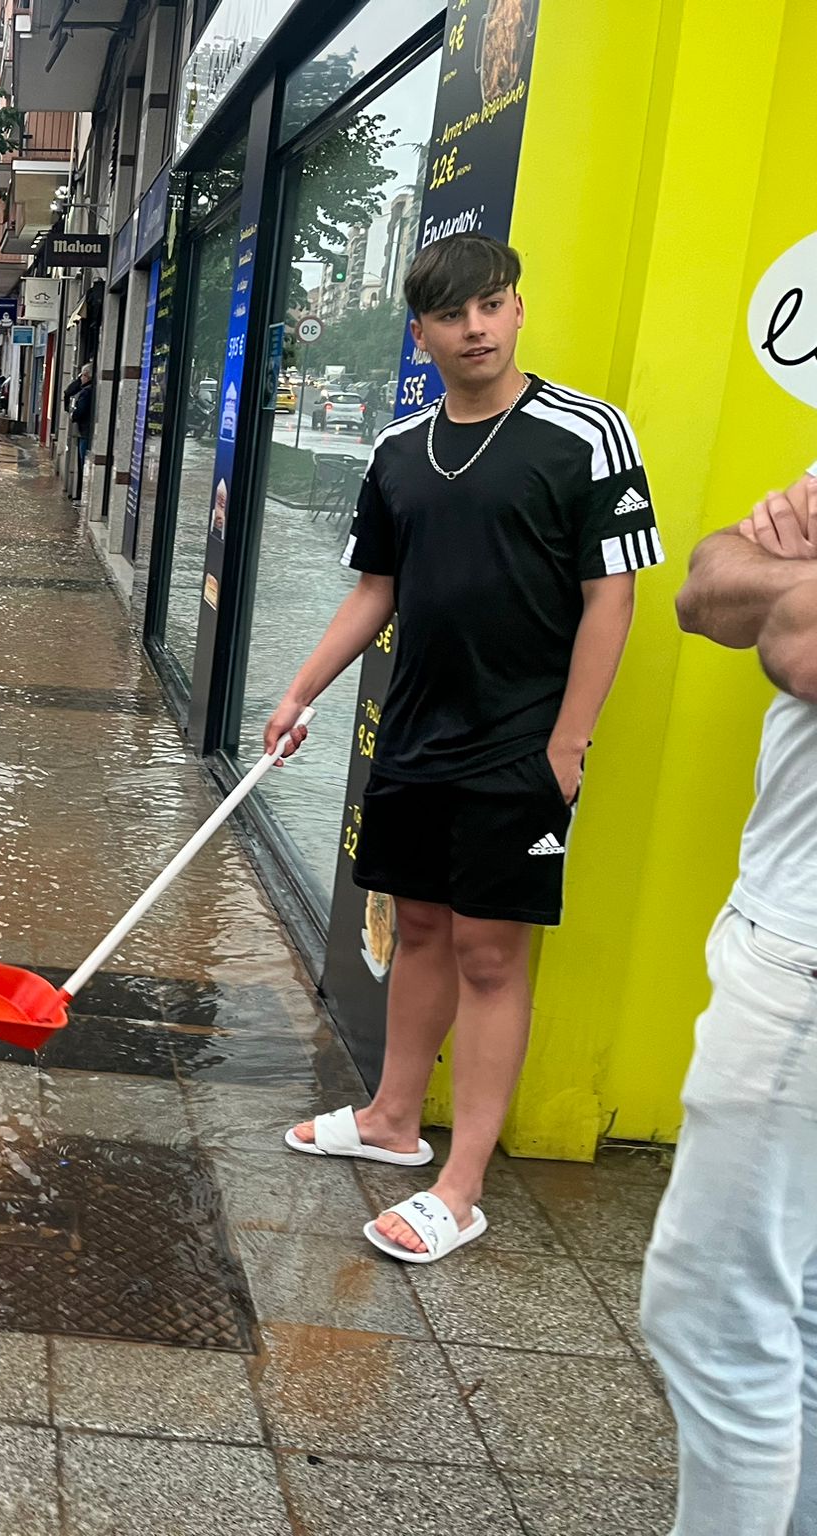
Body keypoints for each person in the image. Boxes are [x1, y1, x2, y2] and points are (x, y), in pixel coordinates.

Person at [268, 233, 659, 1263]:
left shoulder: (585, 434)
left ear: (517, 308)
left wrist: (567, 742)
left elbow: (611, 595)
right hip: (414, 732)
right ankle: (394, 1118)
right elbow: (377, 591)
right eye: (451, 314)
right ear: (422, 334)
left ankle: (462, 1183)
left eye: (491, 304)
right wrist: (299, 691)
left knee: (490, 952)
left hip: (518, 742)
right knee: (419, 926)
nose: (474, 328)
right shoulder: (400, 450)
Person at [639, 468, 817, 1533]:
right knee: (799, 1312)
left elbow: (797, 641)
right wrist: (781, 583)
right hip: (785, 929)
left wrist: (788, 585)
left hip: (805, 962)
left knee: (712, 1321)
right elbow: (704, 587)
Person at [65, 363, 96, 498]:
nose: (80, 379)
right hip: (85, 431)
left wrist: (73, 415)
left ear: (87, 376)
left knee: (83, 463)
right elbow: (68, 391)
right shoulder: (88, 389)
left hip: (85, 432)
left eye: (82, 376)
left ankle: (80, 494)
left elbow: (79, 411)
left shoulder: (86, 392)